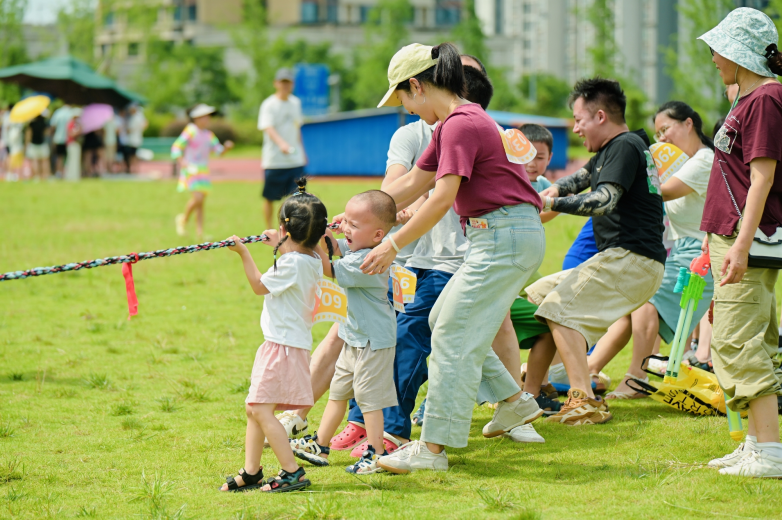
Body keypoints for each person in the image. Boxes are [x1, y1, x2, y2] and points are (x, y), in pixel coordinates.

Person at [353, 42, 543, 474]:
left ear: (416, 86)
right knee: (444, 323)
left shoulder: (461, 122)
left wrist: (392, 243)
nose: (407, 109)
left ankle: (433, 449)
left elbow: (441, 198)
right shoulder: (451, 125)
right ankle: (514, 402)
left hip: (503, 238)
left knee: (451, 336)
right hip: (497, 238)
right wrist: (354, 215)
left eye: (402, 99)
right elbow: (411, 185)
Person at [530, 77, 666, 425]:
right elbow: (577, 180)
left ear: (600, 116)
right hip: (620, 259)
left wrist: (551, 200)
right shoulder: (612, 148)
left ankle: (584, 400)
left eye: (579, 120)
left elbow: (604, 201)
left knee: (559, 309)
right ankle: (532, 396)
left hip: (632, 259)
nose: (575, 128)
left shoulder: (625, 145)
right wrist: (536, 196)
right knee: (535, 298)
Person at [696, 8, 782, 478]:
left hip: (744, 236)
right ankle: (754, 444)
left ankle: (769, 452)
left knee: (736, 340)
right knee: (753, 337)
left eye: (718, 48)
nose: (712, 58)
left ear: (737, 51)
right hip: (728, 233)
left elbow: (763, 176)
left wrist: (741, 244)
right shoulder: (747, 99)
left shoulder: (766, 99)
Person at [587, 101, 715, 398]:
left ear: (688, 124)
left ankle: (636, 377)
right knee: (629, 309)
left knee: (644, 302)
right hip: (682, 250)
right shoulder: (683, 163)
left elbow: (663, 191)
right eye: (657, 133)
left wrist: (624, 176)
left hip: (699, 253)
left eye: (665, 129)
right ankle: (586, 370)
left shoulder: (704, 159)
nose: (662, 138)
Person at [219, 179, 330, 493]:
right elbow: (297, 253)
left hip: (281, 347)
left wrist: (243, 252)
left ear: (286, 228)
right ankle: (251, 472)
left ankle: (292, 472)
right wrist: (281, 243)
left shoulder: (292, 262)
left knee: (259, 409)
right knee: (254, 407)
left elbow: (258, 285)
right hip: (284, 345)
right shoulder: (310, 259)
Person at [290, 190, 399, 475]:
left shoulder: (369, 261)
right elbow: (336, 247)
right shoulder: (358, 248)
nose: (346, 228)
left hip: (374, 343)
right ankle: (321, 444)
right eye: (345, 221)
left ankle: (375, 453)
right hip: (354, 337)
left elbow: (328, 267)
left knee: (368, 399)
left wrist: (301, 240)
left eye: (354, 224)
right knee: (338, 392)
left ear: (377, 235)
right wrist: (323, 233)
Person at [172, 104, 234, 239]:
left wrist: (227, 148)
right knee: (197, 198)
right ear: (196, 118)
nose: (207, 119)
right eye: (204, 117)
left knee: (201, 202)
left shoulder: (208, 135)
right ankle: (183, 219)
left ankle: (200, 232)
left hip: (203, 171)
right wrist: (182, 162)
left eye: (208, 116)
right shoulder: (190, 131)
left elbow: (219, 151)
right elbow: (177, 147)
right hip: (191, 169)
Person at [258, 68, 307, 230]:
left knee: (298, 197)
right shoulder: (269, 104)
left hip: (295, 160)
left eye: (289, 82)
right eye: (283, 82)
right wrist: (282, 144)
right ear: (276, 83)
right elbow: (268, 127)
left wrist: (302, 152)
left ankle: (293, 228)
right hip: (275, 160)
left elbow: (297, 128)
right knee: (270, 197)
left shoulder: (295, 103)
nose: (286, 85)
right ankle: (268, 228)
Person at [25, 113, 50, 181]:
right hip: (42, 143)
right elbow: (46, 133)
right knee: (45, 160)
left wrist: (26, 144)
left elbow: (28, 134)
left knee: (35, 160)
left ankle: (37, 176)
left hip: (33, 143)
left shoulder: (32, 123)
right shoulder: (43, 123)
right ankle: (46, 175)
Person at [49, 103, 72, 177]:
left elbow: (53, 126)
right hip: (68, 139)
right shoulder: (71, 113)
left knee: (59, 157)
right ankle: (64, 173)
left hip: (58, 138)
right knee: (67, 157)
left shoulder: (58, 112)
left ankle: (58, 172)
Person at [125, 104, 147, 173]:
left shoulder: (135, 118)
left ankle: (134, 169)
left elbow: (130, 130)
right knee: (134, 154)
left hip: (133, 140)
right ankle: (135, 169)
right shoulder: (139, 117)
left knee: (132, 155)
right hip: (136, 139)